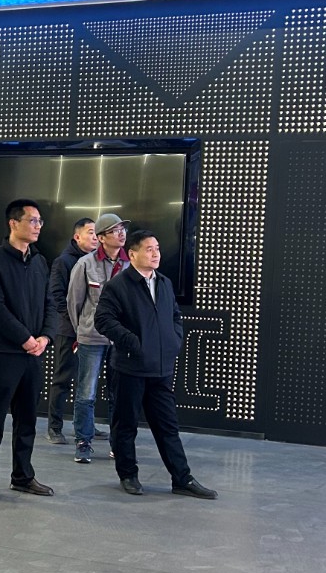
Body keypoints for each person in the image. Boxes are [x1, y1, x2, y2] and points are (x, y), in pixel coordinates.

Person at [93, 228, 217, 499]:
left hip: (161, 369)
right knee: (125, 425)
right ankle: (128, 474)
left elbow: (175, 315)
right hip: (129, 368)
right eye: (149, 249)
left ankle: (182, 478)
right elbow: (102, 319)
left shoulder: (164, 282)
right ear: (132, 254)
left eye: (157, 248)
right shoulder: (118, 285)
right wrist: (132, 342)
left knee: (167, 426)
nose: (156, 254)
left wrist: (174, 340)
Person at [0, 199, 59, 502]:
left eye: (39, 221)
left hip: (34, 353)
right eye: (32, 220)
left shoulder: (39, 262)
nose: (38, 226)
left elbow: (50, 303)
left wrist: (45, 337)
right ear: (13, 223)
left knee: (27, 418)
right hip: (5, 352)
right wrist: (24, 338)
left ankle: (23, 476)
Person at [66, 213, 129, 463]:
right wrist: (82, 330)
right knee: (86, 393)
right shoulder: (85, 264)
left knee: (119, 394)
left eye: (123, 229)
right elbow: (74, 302)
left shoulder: (130, 263)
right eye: (114, 230)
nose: (121, 234)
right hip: (91, 337)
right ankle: (83, 442)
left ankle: (118, 443)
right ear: (101, 238)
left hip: (120, 340)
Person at [46, 216, 99, 444]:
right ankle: (54, 427)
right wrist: (77, 323)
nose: (96, 237)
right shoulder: (64, 261)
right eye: (91, 232)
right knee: (63, 379)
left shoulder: (98, 260)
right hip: (69, 330)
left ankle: (86, 426)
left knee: (87, 382)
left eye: (97, 233)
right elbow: (57, 297)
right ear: (77, 236)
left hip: (93, 332)